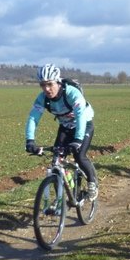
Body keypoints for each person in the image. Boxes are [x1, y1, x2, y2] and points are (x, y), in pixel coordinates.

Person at [25, 63, 98, 200]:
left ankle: (92, 184)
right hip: (65, 127)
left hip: (84, 125)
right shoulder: (43, 99)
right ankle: (65, 195)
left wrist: (77, 140)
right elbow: (33, 118)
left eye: (49, 84)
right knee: (56, 162)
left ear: (57, 82)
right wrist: (30, 141)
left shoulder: (71, 93)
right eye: (42, 85)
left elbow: (81, 116)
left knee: (79, 156)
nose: (46, 89)